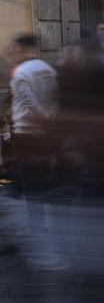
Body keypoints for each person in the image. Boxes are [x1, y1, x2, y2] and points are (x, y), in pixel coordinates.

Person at [6, 35, 60, 267]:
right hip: (46, 135)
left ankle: (37, 232)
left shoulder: (21, 74)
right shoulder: (47, 68)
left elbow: (29, 105)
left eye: (15, 49)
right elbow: (56, 98)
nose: (12, 53)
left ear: (23, 48)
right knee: (42, 181)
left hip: (27, 135)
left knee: (30, 185)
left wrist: (42, 121)